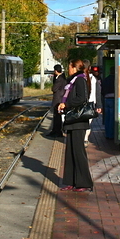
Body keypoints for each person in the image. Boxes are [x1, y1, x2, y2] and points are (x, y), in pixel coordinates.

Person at [57, 58, 93, 192]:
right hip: (72, 120)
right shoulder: (72, 81)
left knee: (78, 152)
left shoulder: (80, 80)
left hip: (78, 121)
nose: (68, 69)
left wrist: (66, 104)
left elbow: (81, 98)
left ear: (74, 67)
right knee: (70, 151)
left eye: (69, 67)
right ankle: (71, 181)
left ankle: (84, 182)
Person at [45, 64, 66, 137]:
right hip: (59, 98)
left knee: (57, 116)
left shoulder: (60, 79)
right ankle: (55, 130)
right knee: (56, 116)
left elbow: (54, 88)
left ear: (56, 71)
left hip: (58, 99)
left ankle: (57, 131)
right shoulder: (61, 77)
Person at [84, 65, 102, 145]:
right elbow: (98, 93)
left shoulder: (79, 78)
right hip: (91, 104)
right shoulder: (94, 79)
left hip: (82, 103)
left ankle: (83, 138)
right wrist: (99, 105)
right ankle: (85, 139)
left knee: (82, 122)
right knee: (88, 122)